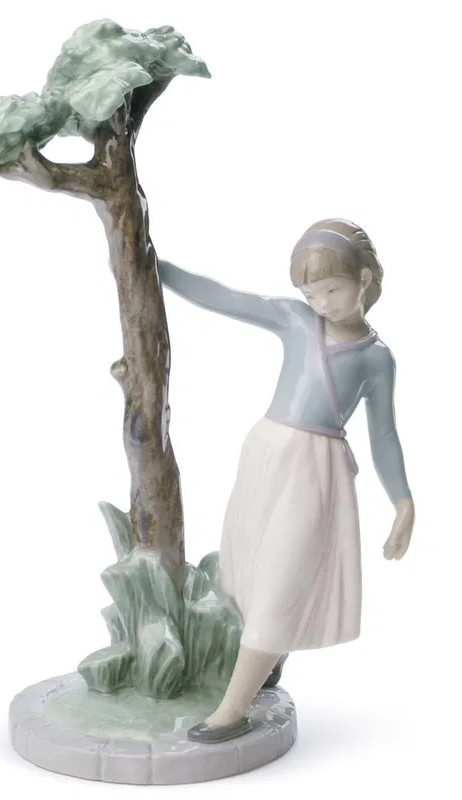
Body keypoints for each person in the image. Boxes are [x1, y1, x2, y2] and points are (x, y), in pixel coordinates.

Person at [157, 218, 415, 744]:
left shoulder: (376, 357)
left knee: (286, 574)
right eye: (310, 293)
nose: (321, 303)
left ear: (364, 280)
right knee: (247, 567)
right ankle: (266, 659)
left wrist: (403, 502)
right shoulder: (297, 320)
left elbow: (384, 433)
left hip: (317, 469)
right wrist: (154, 266)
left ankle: (233, 709)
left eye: (331, 290)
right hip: (268, 454)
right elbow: (225, 298)